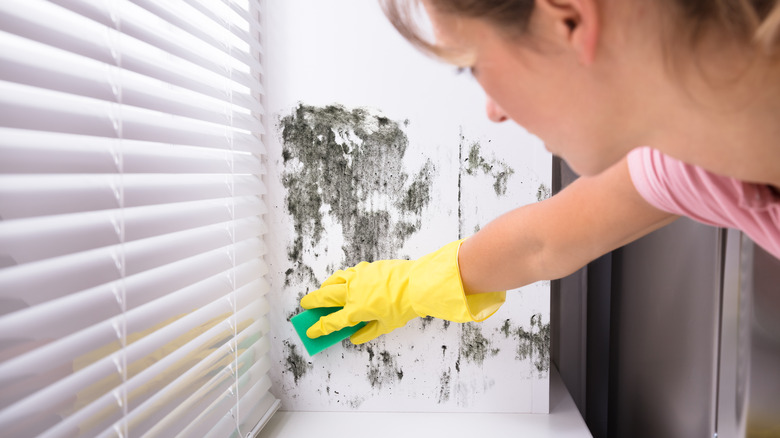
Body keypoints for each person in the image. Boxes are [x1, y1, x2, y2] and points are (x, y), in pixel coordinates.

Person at [300, 0, 780, 344]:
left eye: (472, 66)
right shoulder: (696, 165)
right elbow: (542, 244)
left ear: (568, 20)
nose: (493, 110)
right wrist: (404, 289)